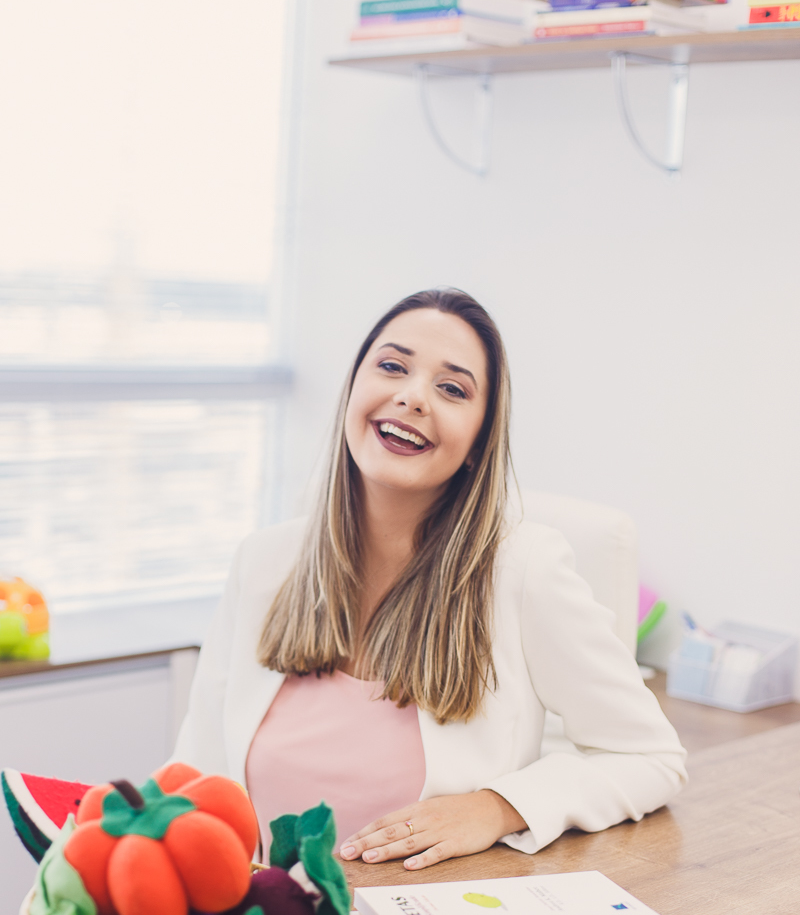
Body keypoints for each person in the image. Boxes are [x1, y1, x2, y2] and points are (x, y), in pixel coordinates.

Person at [171, 288, 687, 871]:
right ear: (352, 393)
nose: (412, 396)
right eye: (392, 366)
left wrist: (496, 807)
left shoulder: (523, 571)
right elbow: (198, 769)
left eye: (452, 389)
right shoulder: (264, 560)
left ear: (477, 442)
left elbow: (650, 756)